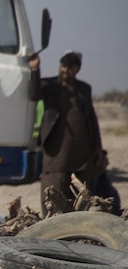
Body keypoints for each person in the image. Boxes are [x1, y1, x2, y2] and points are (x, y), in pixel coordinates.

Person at [29, 50, 121, 214]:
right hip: (56, 153)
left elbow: (92, 120)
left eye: (69, 68)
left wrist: (98, 149)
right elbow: (33, 94)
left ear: (76, 69)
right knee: (52, 193)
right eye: (63, 66)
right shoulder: (50, 86)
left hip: (82, 155)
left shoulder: (84, 89)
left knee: (82, 197)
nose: (64, 70)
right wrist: (35, 69)